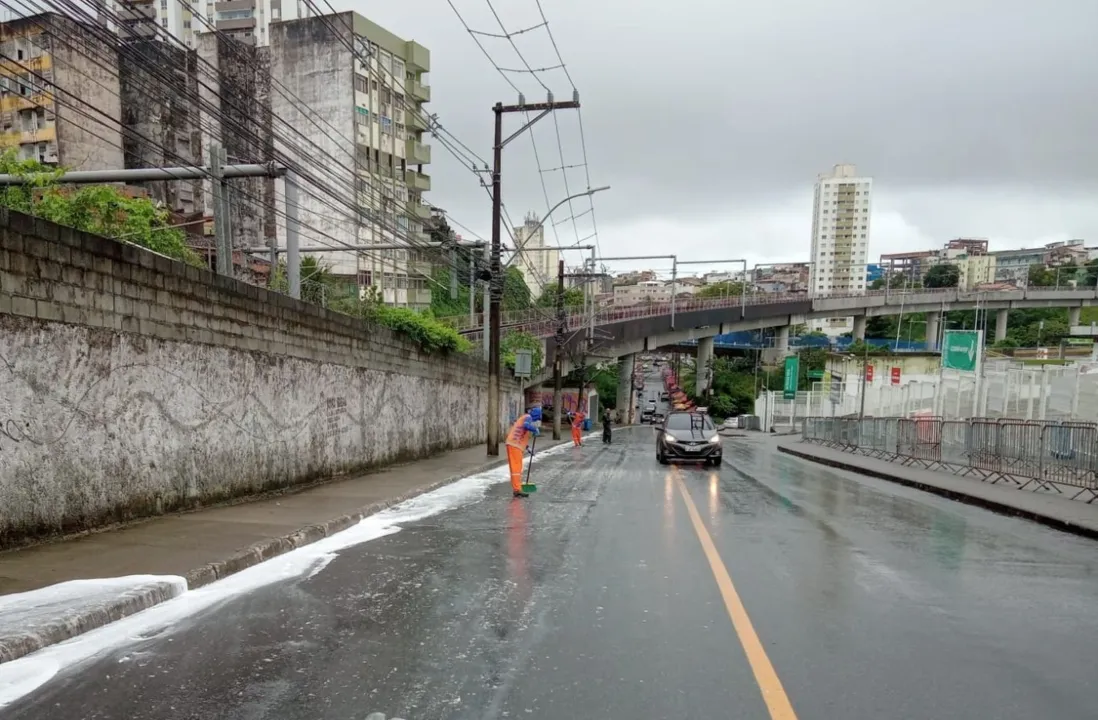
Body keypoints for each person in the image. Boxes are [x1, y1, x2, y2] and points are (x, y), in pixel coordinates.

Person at [506, 406, 542, 498]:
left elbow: (520, 435)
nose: (536, 420)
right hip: (514, 445)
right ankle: (517, 490)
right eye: (537, 418)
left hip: (514, 444)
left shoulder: (526, 418)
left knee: (516, 468)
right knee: (516, 468)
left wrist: (527, 448)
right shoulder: (528, 417)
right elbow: (526, 426)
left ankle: (516, 488)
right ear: (536, 415)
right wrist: (534, 429)